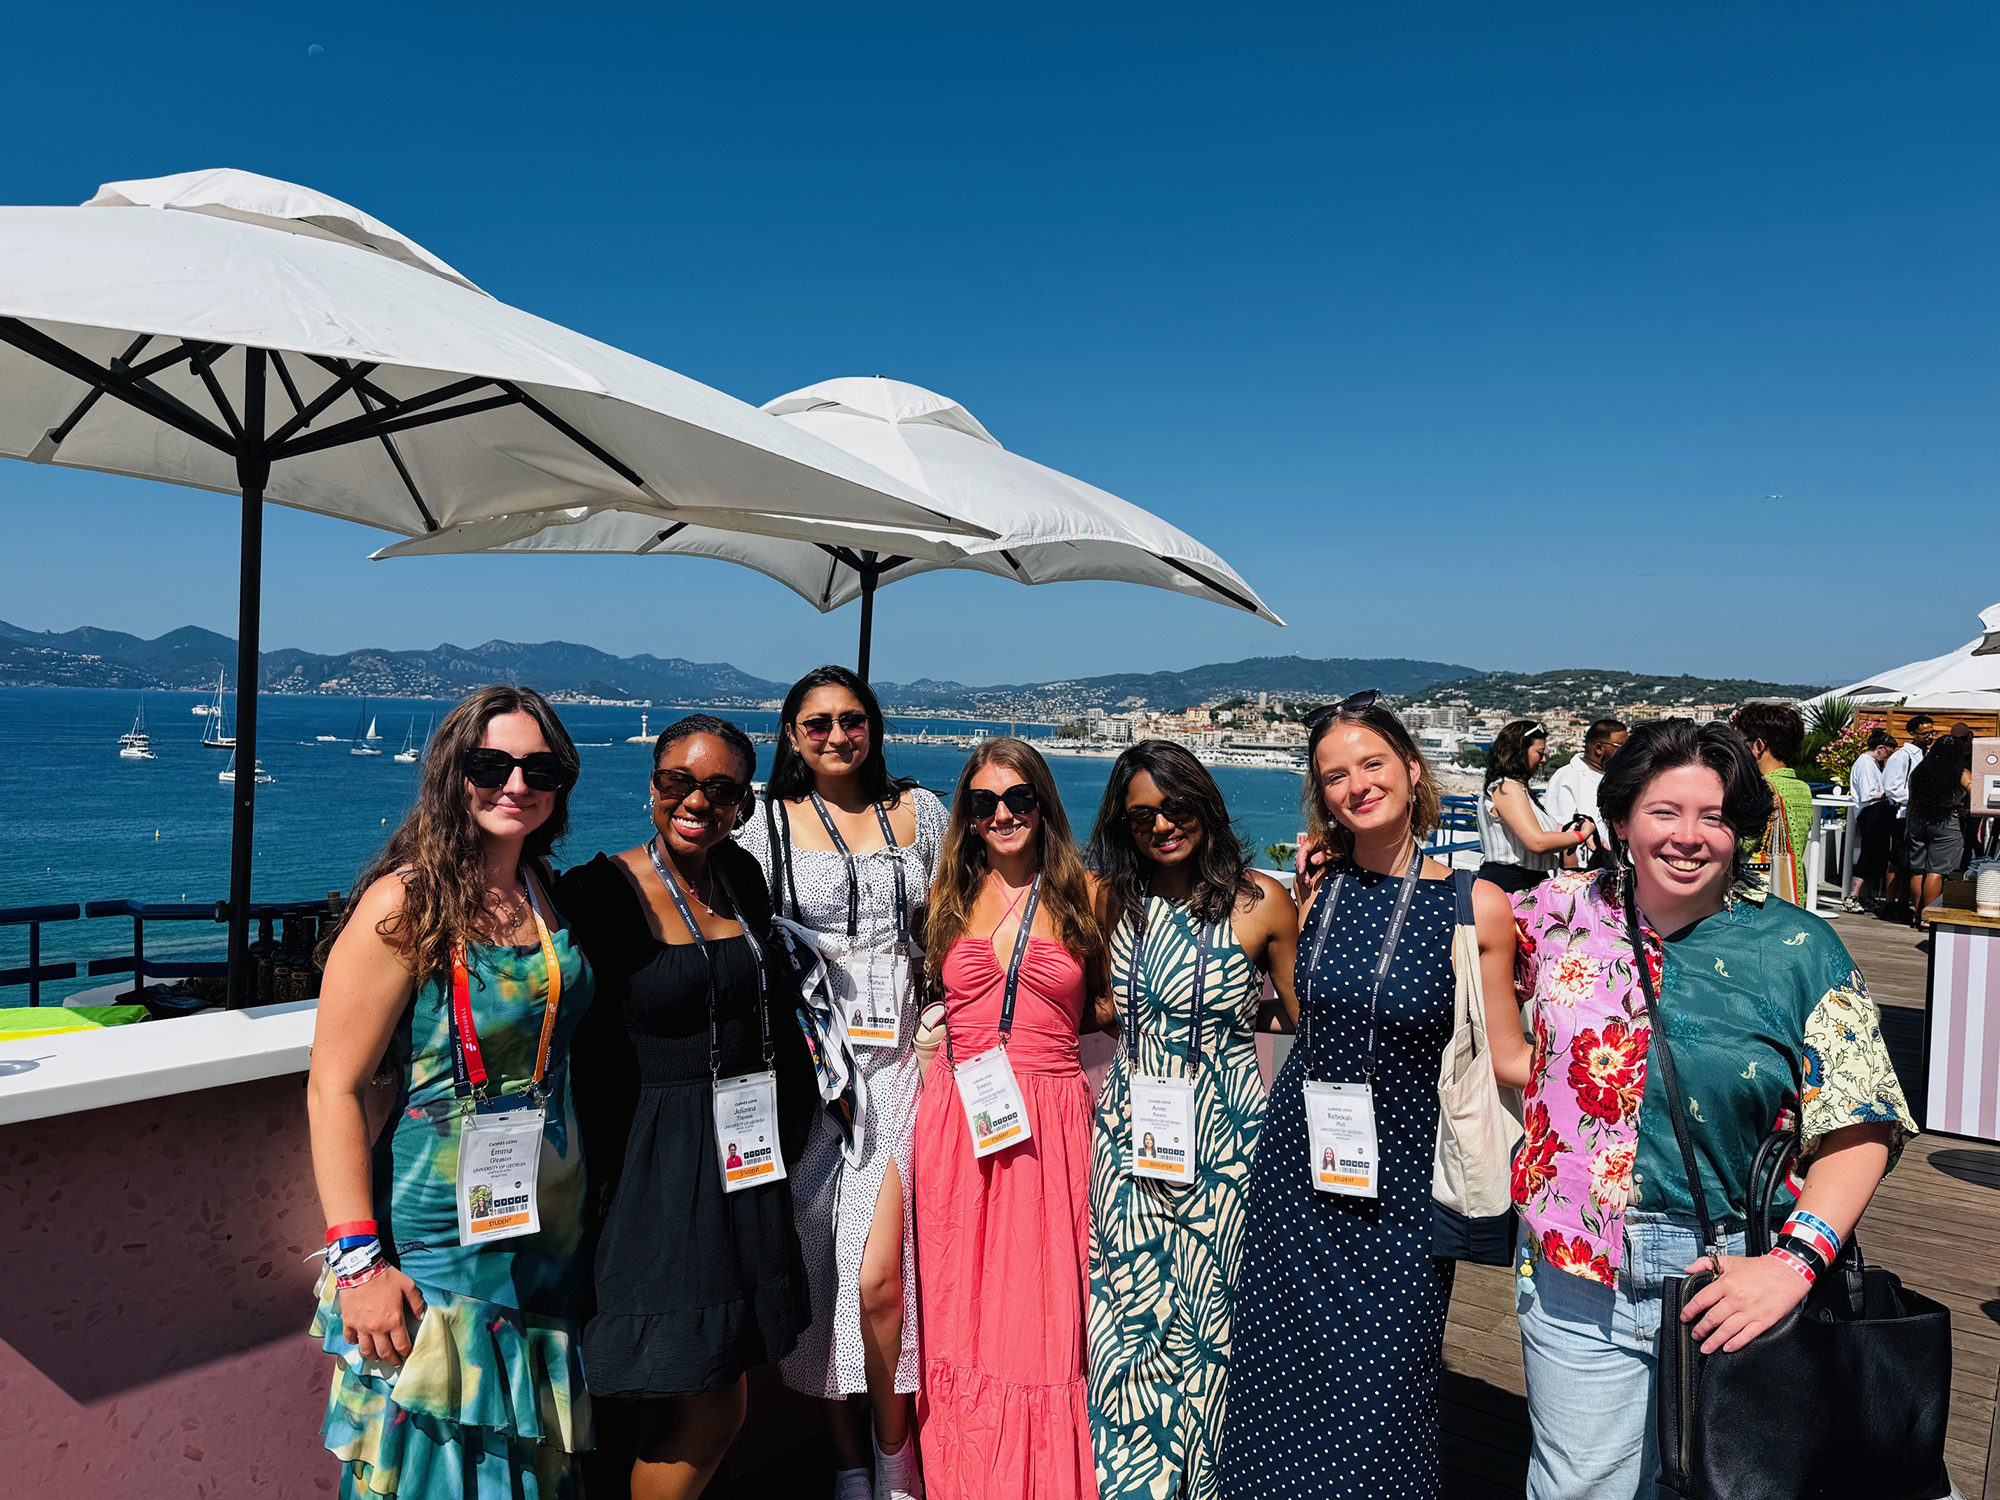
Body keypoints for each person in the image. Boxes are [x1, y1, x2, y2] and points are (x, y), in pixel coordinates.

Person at [1494, 718, 1911, 1498]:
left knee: (1738, 1480)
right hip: (1575, 1268)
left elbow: (1862, 1123)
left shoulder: (1797, 948)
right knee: (1580, 1485)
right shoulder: (1553, 915)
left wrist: (1792, 1267)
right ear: (1620, 820)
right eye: (1664, 812)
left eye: (1714, 817)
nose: (1689, 837)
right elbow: (1447, 948)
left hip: (1736, 1268)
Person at [1218, 693, 1517, 1500]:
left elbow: (1510, 1053)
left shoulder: (1474, 905)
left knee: (1385, 1389)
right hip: (1298, 1169)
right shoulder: (1317, 891)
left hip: (1403, 1190)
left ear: (1411, 770)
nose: (1357, 785)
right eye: (1336, 776)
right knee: (1279, 1379)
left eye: (1373, 764)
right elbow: (1295, 1012)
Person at [306, 685, 593, 1497]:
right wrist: (358, 1265)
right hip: (438, 1238)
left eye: (540, 767)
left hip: (545, 1238)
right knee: (439, 1466)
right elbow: (333, 1086)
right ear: (450, 772)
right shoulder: (405, 901)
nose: (516, 783)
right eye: (490, 764)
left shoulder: (543, 891)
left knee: (522, 1469)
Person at [558, 714, 817, 1500]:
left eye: (721, 788)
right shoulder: (598, 893)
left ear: (742, 802)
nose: (697, 800)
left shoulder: (737, 874)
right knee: (702, 1399)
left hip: (737, 1160)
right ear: (652, 787)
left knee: (703, 1382)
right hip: (651, 1175)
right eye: (679, 782)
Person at [736, 665, 948, 1500]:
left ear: (875, 727)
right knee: (823, 1274)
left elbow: (955, 912)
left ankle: (895, 1461)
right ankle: (848, 1464)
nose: (835, 736)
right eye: (816, 723)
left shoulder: (920, 811)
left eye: (851, 720)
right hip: (815, 1078)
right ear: (791, 735)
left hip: (902, 1064)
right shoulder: (763, 823)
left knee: (882, 1278)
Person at [1082, 741, 1299, 1500]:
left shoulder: (1261, 901)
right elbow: (1100, 1005)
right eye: (1141, 815)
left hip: (1231, 1141)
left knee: (1213, 1325)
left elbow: (1306, 1028)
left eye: (1176, 807)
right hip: (1132, 1137)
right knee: (1127, 1320)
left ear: (1203, 804)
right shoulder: (1113, 901)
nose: (1162, 826)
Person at [911, 737, 1112, 1500]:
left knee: (1038, 1318)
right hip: (957, 1119)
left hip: (1052, 1122)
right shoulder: (947, 897)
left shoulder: (1088, 896)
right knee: (956, 1308)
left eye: (1018, 798)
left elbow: (1121, 1003)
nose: (1002, 814)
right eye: (983, 802)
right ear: (966, 815)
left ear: (1043, 804)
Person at [1476, 719, 1592, 893]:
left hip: (1523, 880)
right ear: (1520, 752)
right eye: (1540, 752)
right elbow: (1537, 842)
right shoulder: (1507, 789)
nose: (1544, 759)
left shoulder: (1514, 788)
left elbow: (1541, 830)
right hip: (1511, 883)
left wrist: (1574, 829)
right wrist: (1581, 835)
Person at [1730, 702, 1814, 903]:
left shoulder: (1758, 789)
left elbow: (1742, 844)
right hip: (1790, 892)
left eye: (1740, 743)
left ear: (1758, 746)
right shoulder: (1803, 789)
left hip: (1757, 899)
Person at [1906, 728, 1975, 927]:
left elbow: (1911, 801)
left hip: (1918, 820)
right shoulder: (1959, 772)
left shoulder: (1919, 772)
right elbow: (1975, 790)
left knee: (1918, 870)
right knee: (1936, 871)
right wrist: (1965, 808)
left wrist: (1908, 827)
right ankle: (1928, 918)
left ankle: (1917, 915)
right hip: (1945, 821)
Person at [1543, 719, 1627, 869]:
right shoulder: (1567, 777)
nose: (1625, 752)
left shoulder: (1616, 777)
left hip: (1615, 868)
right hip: (1584, 873)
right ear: (1599, 748)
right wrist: (1575, 877)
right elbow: (1560, 830)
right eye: (1620, 747)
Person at [1880, 713, 1937, 920]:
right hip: (1902, 813)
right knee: (1898, 859)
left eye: (1932, 732)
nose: (1930, 736)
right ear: (1913, 734)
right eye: (1925, 733)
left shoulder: (1928, 754)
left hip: (1918, 814)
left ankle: (1903, 903)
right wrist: (1917, 798)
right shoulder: (1902, 756)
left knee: (1910, 861)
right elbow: (1892, 787)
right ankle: (1889, 903)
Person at [1841, 729, 1897, 913]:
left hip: (1876, 811)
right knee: (1868, 853)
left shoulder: (1872, 763)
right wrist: (1892, 794)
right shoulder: (1865, 764)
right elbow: (1868, 793)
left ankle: (1865, 895)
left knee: (1877, 855)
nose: (1890, 755)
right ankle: (1853, 896)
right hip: (1869, 812)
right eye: (1890, 751)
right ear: (1881, 748)